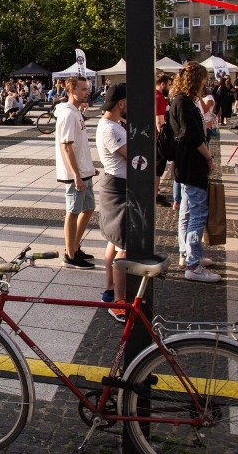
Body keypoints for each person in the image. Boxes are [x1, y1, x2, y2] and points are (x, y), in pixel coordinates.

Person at [170, 62, 221, 282]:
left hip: (187, 163)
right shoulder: (183, 102)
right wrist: (208, 157)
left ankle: (189, 255)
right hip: (191, 163)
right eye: (203, 79)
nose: (205, 83)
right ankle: (192, 262)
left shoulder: (183, 100)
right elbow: (194, 136)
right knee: (197, 212)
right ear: (196, 79)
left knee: (189, 211)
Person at [54, 76, 97, 269]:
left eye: (87, 89)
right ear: (71, 91)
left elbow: (78, 145)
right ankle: (70, 255)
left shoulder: (75, 112)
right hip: (75, 175)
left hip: (83, 171)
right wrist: (77, 175)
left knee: (88, 209)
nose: (87, 92)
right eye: (83, 89)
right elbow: (67, 147)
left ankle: (74, 246)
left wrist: (88, 167)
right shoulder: (68, 115)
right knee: (72, 212)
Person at [95, 84, 129, 322]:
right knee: (123, 245)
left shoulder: (112, 125)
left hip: (116, 184)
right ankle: (118, 301)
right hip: (117, 187)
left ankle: (110, 290)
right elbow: (133, 154)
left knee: (113, 240)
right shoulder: (112, 129)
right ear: (120, 104)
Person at [153, 73, 172, 206]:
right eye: (169, 85)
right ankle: (155, 194)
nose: (170, 88)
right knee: (158, 168)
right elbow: (159, 122)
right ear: (163, 84)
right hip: (157, 138)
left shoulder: (152, 95)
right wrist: (165, 140)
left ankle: (155, 192)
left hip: (151, 137)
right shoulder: (160, 98)